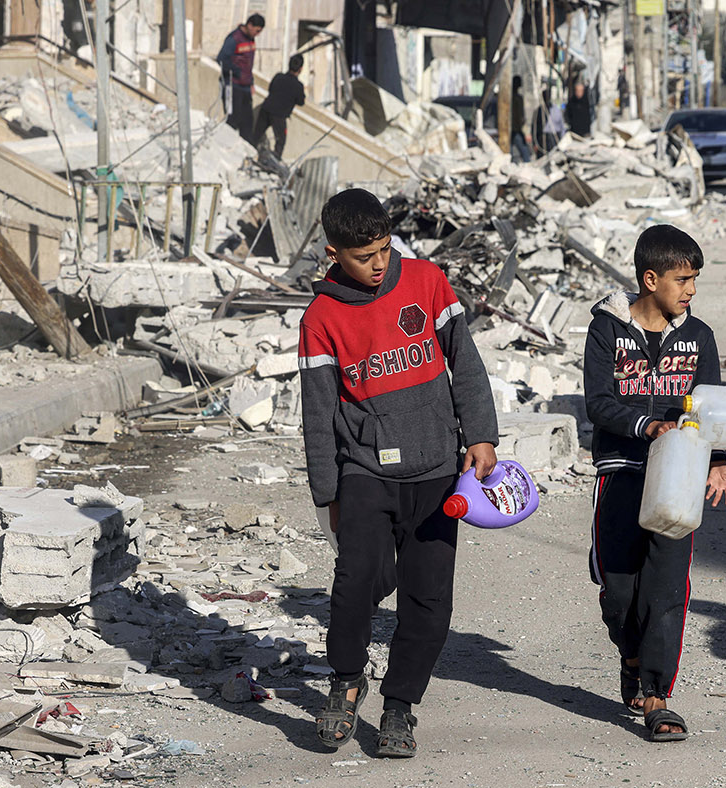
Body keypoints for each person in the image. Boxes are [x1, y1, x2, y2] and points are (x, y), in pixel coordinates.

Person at [298, 189, 498, 758]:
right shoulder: (320, 319)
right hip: (364, 471)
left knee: (428, 600)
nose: (379, 263)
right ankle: (346, 681)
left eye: (385, 249)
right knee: (354, 582)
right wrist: (327, 494)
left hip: (436, 471)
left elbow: (465, 363)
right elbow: (318, 414)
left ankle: (399, 706)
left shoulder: (427, 282)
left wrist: (480, 435)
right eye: (364, 256)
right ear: (334, 253)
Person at [582, 225, 726, 742]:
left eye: (695, 279)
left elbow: (710, 403)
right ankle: (631, 656)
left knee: (667, 587)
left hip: (679, 474)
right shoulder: (606, 329)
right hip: (622, 471)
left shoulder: (699, 337)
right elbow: (598, 402)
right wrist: (646, 425)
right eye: (683, 279)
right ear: (650, 280)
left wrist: (718, 459)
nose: (691, 289)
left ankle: (657, 696)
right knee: (618, 591)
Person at [217, 14, 263, 143]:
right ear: (250, 25)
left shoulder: (251, 40)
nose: (257, 34)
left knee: (247, 122)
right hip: (232, 85)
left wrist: (251, 82)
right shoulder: (234, 38)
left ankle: (247, 149)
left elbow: (248, 64)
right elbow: (221, 59)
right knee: (233, 119)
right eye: (257, 30)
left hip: (245, 87)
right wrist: (237, 72)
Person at [252, 54, 305, 160]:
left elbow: (270, 89)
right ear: (300, 69)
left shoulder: (278, 77)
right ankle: (274, 162)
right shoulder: (298, 86)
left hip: (266, 109)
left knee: (256, 136)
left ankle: (249, 153)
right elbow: (301, 102)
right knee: (280, 141)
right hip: (279, 116)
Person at [509, 76, 533, 162]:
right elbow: (520, 117)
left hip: (515, 129)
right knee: (524, 152)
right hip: (514, 129)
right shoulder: (515, 98)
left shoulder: (516, 98)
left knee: (518, 152)